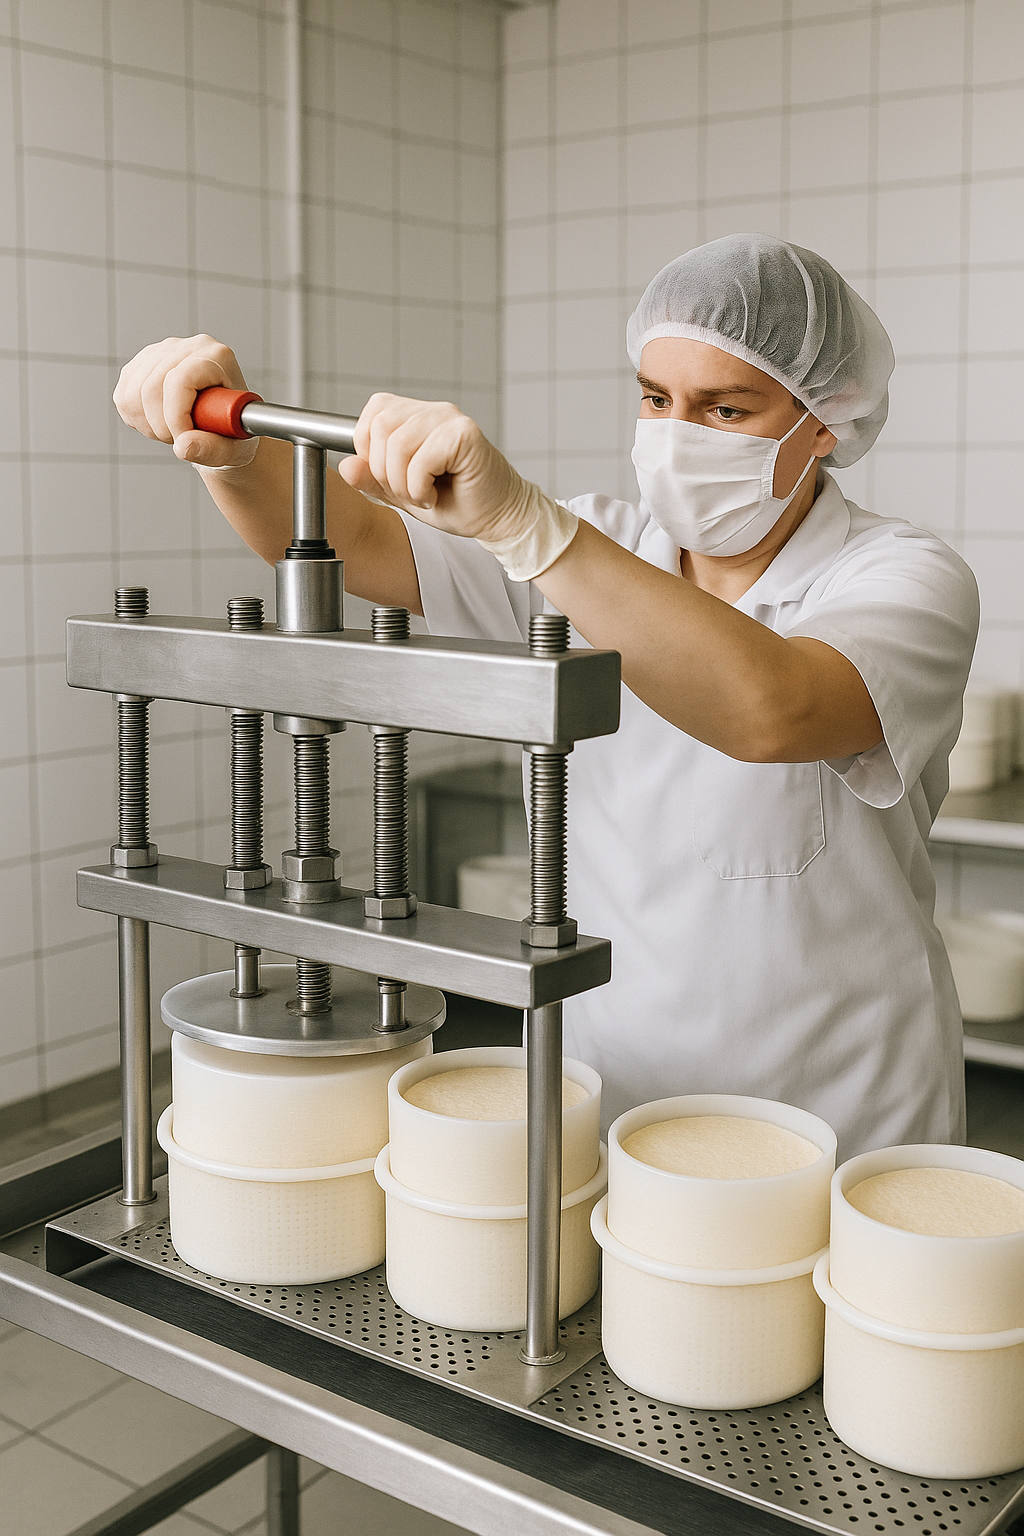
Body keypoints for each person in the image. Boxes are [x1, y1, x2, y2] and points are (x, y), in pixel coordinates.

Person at [113, 234, 979, 1159]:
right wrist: (231, 453)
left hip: (839, 1108)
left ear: (825, 421)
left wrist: (527, 526)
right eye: (656, 399)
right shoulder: (593, 547)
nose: (677, 435)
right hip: (609, 1090)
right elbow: (361, 544)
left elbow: (778, 709)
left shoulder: (902, 575)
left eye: (725, 409)